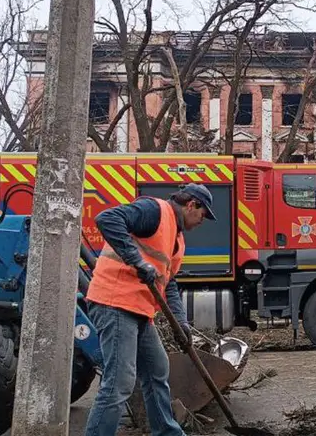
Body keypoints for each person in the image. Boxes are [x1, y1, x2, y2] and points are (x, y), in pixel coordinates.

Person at [83, 184, 217, 436]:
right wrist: (136, 259)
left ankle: (167, 432)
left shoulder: (178, 239)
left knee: (157, 369)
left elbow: (170, 283)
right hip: (115, 301)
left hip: (140, 310)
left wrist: (181, 322)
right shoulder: (154, 210)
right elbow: (107, 218)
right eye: (203, 214)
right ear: (192, 205)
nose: (203, 220)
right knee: (120, 382)